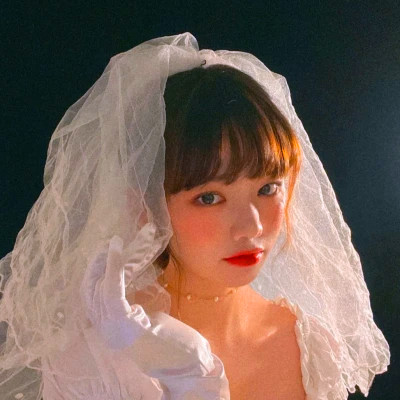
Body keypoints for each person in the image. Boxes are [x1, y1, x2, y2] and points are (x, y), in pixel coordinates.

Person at [0, 32, 390, 400]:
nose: (252, 226)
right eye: (209, 197)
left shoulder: (312, 347)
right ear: (147, 206)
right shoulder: (95, 360)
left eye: (268, 188)